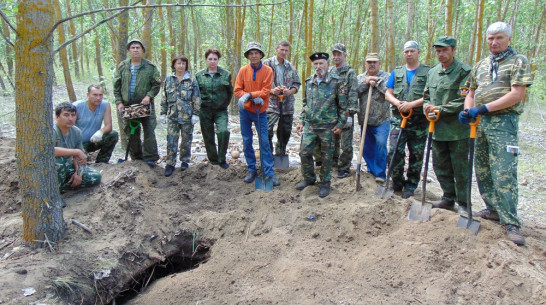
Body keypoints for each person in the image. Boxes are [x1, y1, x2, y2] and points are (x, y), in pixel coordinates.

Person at [460, 22, 533, 245]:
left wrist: (485, 108)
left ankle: (511, 221)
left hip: (503, 123)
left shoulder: (518, 61)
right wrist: (467, 109)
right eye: (490, 39)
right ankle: (492, 208)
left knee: (503, 171)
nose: (494, 42)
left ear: (508, 39)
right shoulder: (481, 64)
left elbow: (516, 94)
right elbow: (470, 91)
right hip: (480, 123)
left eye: (499, 38)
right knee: (482, 169)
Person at [423, 36, 472, 214]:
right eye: (438, 51)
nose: (441, 54)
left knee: (460, 168)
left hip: (457, 130)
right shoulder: (433, 72)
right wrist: (426, 108)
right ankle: (448, 198)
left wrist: (439, 109)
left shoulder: (464, 71)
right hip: (436, 129)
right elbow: (426, 95)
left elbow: (464, 100)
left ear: (453, 50)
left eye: (444, 50)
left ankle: (464, 204)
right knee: (440, 166)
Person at [295, 52, 347, 198]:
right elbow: (306, 104)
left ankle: (325, 183)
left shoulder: (337, 82)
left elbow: (344, 106)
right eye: (316, 64)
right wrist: (301, 121)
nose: (318, 67)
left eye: (321, 63)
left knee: (326, 157)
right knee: (304, 153)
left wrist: (341, 124)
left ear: (328, 64)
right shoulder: (309, 82)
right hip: (310, 126)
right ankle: (309, 179)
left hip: (328, 126)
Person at [385, 41, 431, 198]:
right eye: (406, 51)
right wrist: (398, 103)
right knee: (394, 151)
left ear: (418, 52)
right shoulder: (397, 72)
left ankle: (411, 185)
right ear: (403, 54)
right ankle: (396, 182)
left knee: (416, 154)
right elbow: (388, 93)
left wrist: (411, 104)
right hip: (399, 119)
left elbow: (430, 95)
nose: (409, 54)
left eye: (412, 51)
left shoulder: (428, 72)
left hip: (419, 121)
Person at [234, 42, 279, 186]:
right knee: (247, 140)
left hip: (261, 111)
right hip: (245, 111)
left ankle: (268, 173)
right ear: (248, 55)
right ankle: (252, 169)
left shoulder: (268, 70)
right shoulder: (243, 70)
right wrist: (247, 97)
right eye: (251, 53)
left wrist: (251, 95)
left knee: (264, 141)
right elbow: (237, 89)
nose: (254, 56)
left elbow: (266, 91)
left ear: (260, 55)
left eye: (256, 53)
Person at [113, 39, 162, 167]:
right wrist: (119, 102)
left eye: (138, 48)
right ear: (129, 51)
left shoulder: (150, 67)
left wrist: (149, 96)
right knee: (131, 133)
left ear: (143, 51)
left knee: (149, 131)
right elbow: (116, 86)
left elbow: (157, 85)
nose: (135, 50)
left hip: (145, 105)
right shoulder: (123, 66)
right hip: (128, 106)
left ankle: (150, 158)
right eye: (133, 48)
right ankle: (137, 159)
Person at [160, 55, 201, 177]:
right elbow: (164, 97)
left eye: (183, 63)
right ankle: (170, 163)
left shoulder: (191, 80)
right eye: (178, 63)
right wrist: (162, 113)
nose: (181, 66)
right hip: (172, 115)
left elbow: (196, 97)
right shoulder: (168, 79)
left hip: (187, 116)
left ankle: (184, 161)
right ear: (174, 65)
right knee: (171, 140)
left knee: (186, 140)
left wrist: (196, 113)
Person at [195, 48, 233, 169]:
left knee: (223, 132)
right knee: (208, 135)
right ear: (206, 60)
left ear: (218, 60)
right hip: (204, 110)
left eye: (215, 59)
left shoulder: (226, 74)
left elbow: (230, 92)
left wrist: (224, 104)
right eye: (210, 59)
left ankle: (222, 159)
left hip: (220, 110)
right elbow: (196, 94)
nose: (212, 61)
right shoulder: (199, 75)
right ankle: (213, 160)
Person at [356, 53, 390, 183]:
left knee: (381, 144)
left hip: (382, 119)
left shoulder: (386, 77)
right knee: (367, 148)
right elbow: (355, 92)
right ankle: (372, 170)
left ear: (379, 63)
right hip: (365, 121)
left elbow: (389, 92)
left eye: (374, 62)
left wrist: (377, 84)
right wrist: (366, 83)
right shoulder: (360, 78)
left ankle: (380, 173)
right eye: (369, 62)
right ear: (365, 63)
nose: (372, 64)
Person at [263, 41, 301, 157]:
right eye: (281, 50)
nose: (284, 52)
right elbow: (259, 83)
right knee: (267, 130)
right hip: (271, 104)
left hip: (287, 104)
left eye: (286, 50)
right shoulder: (267, 64)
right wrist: (271, 90)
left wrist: (289, 91)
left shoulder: (290, 66)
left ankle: (280, 154)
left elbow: (296, 83)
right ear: (276, 49)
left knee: (285, 131)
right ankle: (268, 155)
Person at [54, 102, 101, 191]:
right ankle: (53, 193)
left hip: (68, 167)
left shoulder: (76, 132)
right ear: (57, 116)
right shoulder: (51, 131)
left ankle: (63, 188)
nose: (70, 118)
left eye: (73, 115)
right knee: (60, 161)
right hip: (51, 169)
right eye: (66, 115)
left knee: (95, 176)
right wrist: (76, 151)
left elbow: (79, 157)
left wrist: (78, 173)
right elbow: (49, 151)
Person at [74, 85, 119, 164]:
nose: (98, 98)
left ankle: (101, 163)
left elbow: (109, 126)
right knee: (82, 160)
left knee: (113, 135)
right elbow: (69, 127)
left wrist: (100, 132)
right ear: (88, 95)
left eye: (100, 95)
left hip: (94, 140)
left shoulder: (105, 105)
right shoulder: (77, 106)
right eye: (95, 95)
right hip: (79, 144)